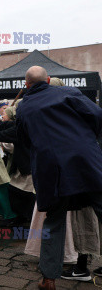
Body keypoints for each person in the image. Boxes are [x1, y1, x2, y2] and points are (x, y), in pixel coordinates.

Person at [16, 66, 102, 289]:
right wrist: (84, 138)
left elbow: (25, 140)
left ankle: (48, 279)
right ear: (48, 79)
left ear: (26, 85)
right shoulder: (68, 92)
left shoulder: (23, 107)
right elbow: (96, 115)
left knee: (54, 222)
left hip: (51, 168)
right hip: (85, 161)